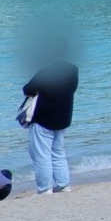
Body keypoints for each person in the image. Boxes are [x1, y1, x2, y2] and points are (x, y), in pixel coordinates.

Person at [22, 48, 78, 195]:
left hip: (43, 118)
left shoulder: (44, 73)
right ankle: (64, 185)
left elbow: (27, 89)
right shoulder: (73, 70)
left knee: (41, 155)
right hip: (63, 118)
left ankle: (45, 189)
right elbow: (73, 89)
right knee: (58, 153)